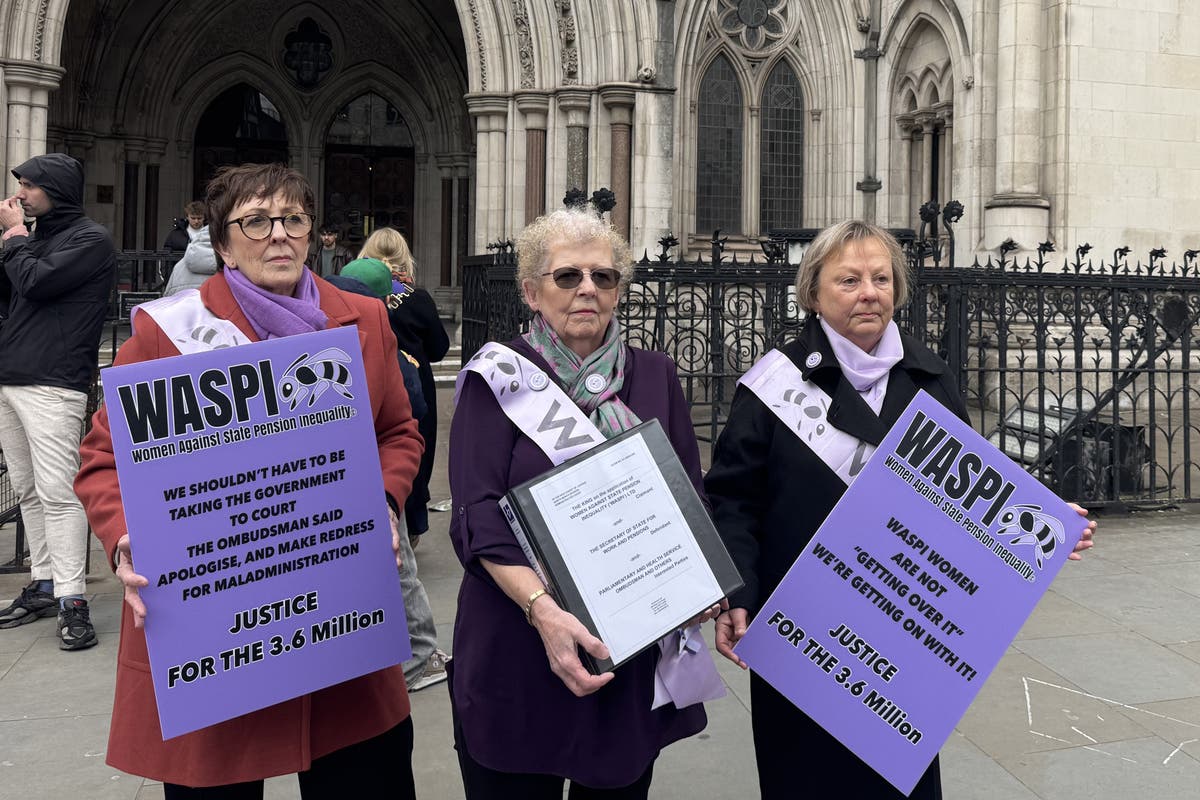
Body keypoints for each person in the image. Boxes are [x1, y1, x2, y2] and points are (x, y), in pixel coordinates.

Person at [704, 220, 1097, 799]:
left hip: (903, 632)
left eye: (881, 278)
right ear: (813, 293)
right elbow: (733, 501)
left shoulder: (930, 378)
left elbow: (970, 491)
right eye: (850, 280)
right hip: (805, 628)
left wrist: (1039, 522)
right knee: (804, 777)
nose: (870, 292)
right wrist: (739, 593)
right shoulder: (775, 384)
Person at [74, 163, 424, 797]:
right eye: (256, 222)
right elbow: (102, 457)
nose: (279, 235)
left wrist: (380, 499)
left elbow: (398, 433)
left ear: (314, 233)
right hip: (219, 630)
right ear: (223, 240)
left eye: (293, 219)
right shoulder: (166, 333)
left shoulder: (365, 319)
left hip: (335, 612)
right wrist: (127, 537)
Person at [448, 208, 723, 799]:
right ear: (532, 291)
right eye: (567, 276)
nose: (588, 290)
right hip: (519, 640)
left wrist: (697, 582)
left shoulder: (655, 375)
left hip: (622, 652)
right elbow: (477, 517)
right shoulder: (498, 378)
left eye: (604, 276)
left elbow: (686, 499)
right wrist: (543, 610)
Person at [0, 153, 117, 650]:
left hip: (53, 381)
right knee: (27, 489)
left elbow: (37, 282)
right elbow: (12, 296)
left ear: (56, 189)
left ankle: (73, 600)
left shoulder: (91, 240)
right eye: (19, 186)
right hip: (13, 375)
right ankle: (45, 583)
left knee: (59, 492)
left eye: (28, 186)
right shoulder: (37, 239)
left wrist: (14, 239)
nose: (20, 195)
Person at [333, 257, 449, 693]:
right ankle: (417, 658)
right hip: (367, 476)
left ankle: (403, 655)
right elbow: (411, 412)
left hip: (344, 478)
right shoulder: (382, 337)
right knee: (400, 571)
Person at [359, 227, 449, 547]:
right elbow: (439, 347)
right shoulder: (415, 296)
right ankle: (411, 526)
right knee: (413, 452)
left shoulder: (354, 295)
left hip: (368, 384)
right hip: (415, 389)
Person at [162, 224, 216, 296]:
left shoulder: (178, 268)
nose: (196, 221)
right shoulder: (232, 268)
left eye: (199, 218)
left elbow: (168, 299)